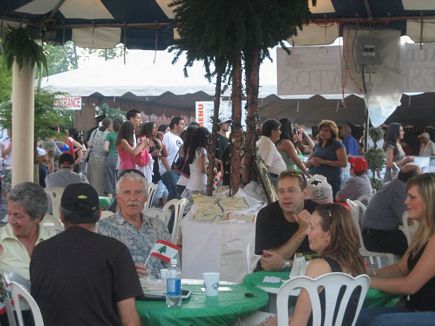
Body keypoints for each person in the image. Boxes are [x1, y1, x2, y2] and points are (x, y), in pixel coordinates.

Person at [30, 183, 142, 326]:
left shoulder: (40, 251)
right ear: (98, 215)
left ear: (62, 216)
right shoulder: (116, 252)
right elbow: (129, 320)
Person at [262, 203, 366, 326]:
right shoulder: (355, 262)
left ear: (328, 235)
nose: (307, 232)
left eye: (311, 227)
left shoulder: (318, 267)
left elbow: (298, 324)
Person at [357, 173, 435, 325]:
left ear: (430, 201)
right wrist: (367, 273)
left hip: (429, 311)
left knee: (380, 323)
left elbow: (410, 285)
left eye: (412, 197)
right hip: (415, 307)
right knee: (355, 316)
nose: (405, 202)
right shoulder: (423, 231)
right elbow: (401, 267)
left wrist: (365, 281)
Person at [96, 170, 170, 278]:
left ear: (145, 197)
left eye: (138, 192)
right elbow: (99, 270)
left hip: (159, 290)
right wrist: (124, 272)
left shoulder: (158, 227)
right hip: (125, 291)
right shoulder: (103, 229)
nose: (133, 198)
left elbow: (171, 264)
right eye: (127, 192)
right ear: (118, 197)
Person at [255, 170, 317, 272]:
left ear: (305, 193)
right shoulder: (267, 215)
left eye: (291, 190)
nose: (286, 196)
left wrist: (288, 264)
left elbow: (328, 256)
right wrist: (302, 230)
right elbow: (270, 262)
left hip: (309, 274)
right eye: (281, 191)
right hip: (271, 276)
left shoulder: (318, 214)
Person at [362, 164, 421, 256]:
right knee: (419, 244)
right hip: (375, 237)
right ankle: (413, 269)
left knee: (417, 241)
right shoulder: (400, 189)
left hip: (374, 233)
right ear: (414, 180)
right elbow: (408, 219)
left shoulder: (395, 185)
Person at [0, 182, 55, 280]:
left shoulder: (53, 240)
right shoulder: (1, 239)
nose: (11, 221)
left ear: (37, 218)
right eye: (9, 213)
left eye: (18, 216)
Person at [306, 120, 347, 197]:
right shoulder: (317, 146)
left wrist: (324, 162)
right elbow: (306, 164)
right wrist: (311, 162)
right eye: (321, 130)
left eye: (326, 130)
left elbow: (343, 163)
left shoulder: (337, 144)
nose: (323, 132)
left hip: (330, 182)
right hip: (315, 182)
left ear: (332, 133)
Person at [181, 127, 210, 212]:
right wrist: (210, 172)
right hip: (200, 184)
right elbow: (202, 169)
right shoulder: (202, 151)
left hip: (191, 184)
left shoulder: (191, 150)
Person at [159, 116, 185, 200]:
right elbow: (163, 154)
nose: (183, 126)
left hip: (177, 170)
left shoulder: (180, 139)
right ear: (175, 125)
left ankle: (171, 211)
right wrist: (169, 169)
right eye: (181, 124)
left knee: (177, 194)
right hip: (168, 170)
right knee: (175, 193)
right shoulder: (167, 136)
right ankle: (171, 211)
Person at [256, 119, 287, 184]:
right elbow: (264, 167)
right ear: (273, 132)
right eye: (278, 129)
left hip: (275, 178)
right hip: (273, 179)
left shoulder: (266, 142)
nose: (280, 132)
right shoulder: (267, 144)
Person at [87, 118, 112, 195]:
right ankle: (101, 199)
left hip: (93, 159)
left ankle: (92, 195)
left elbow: (89, 144)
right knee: (101, 182)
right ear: (109, 125)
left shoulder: (94, 132)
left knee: (93, 181)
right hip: (103, 160)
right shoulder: (109, 134)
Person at [103, 118, 122, 197]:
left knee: (110, 179)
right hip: (121, 159)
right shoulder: (123, 136)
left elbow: (105, 148)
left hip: (112, 157)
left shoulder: (110, 135)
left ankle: (110, 201)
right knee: (119, 179)